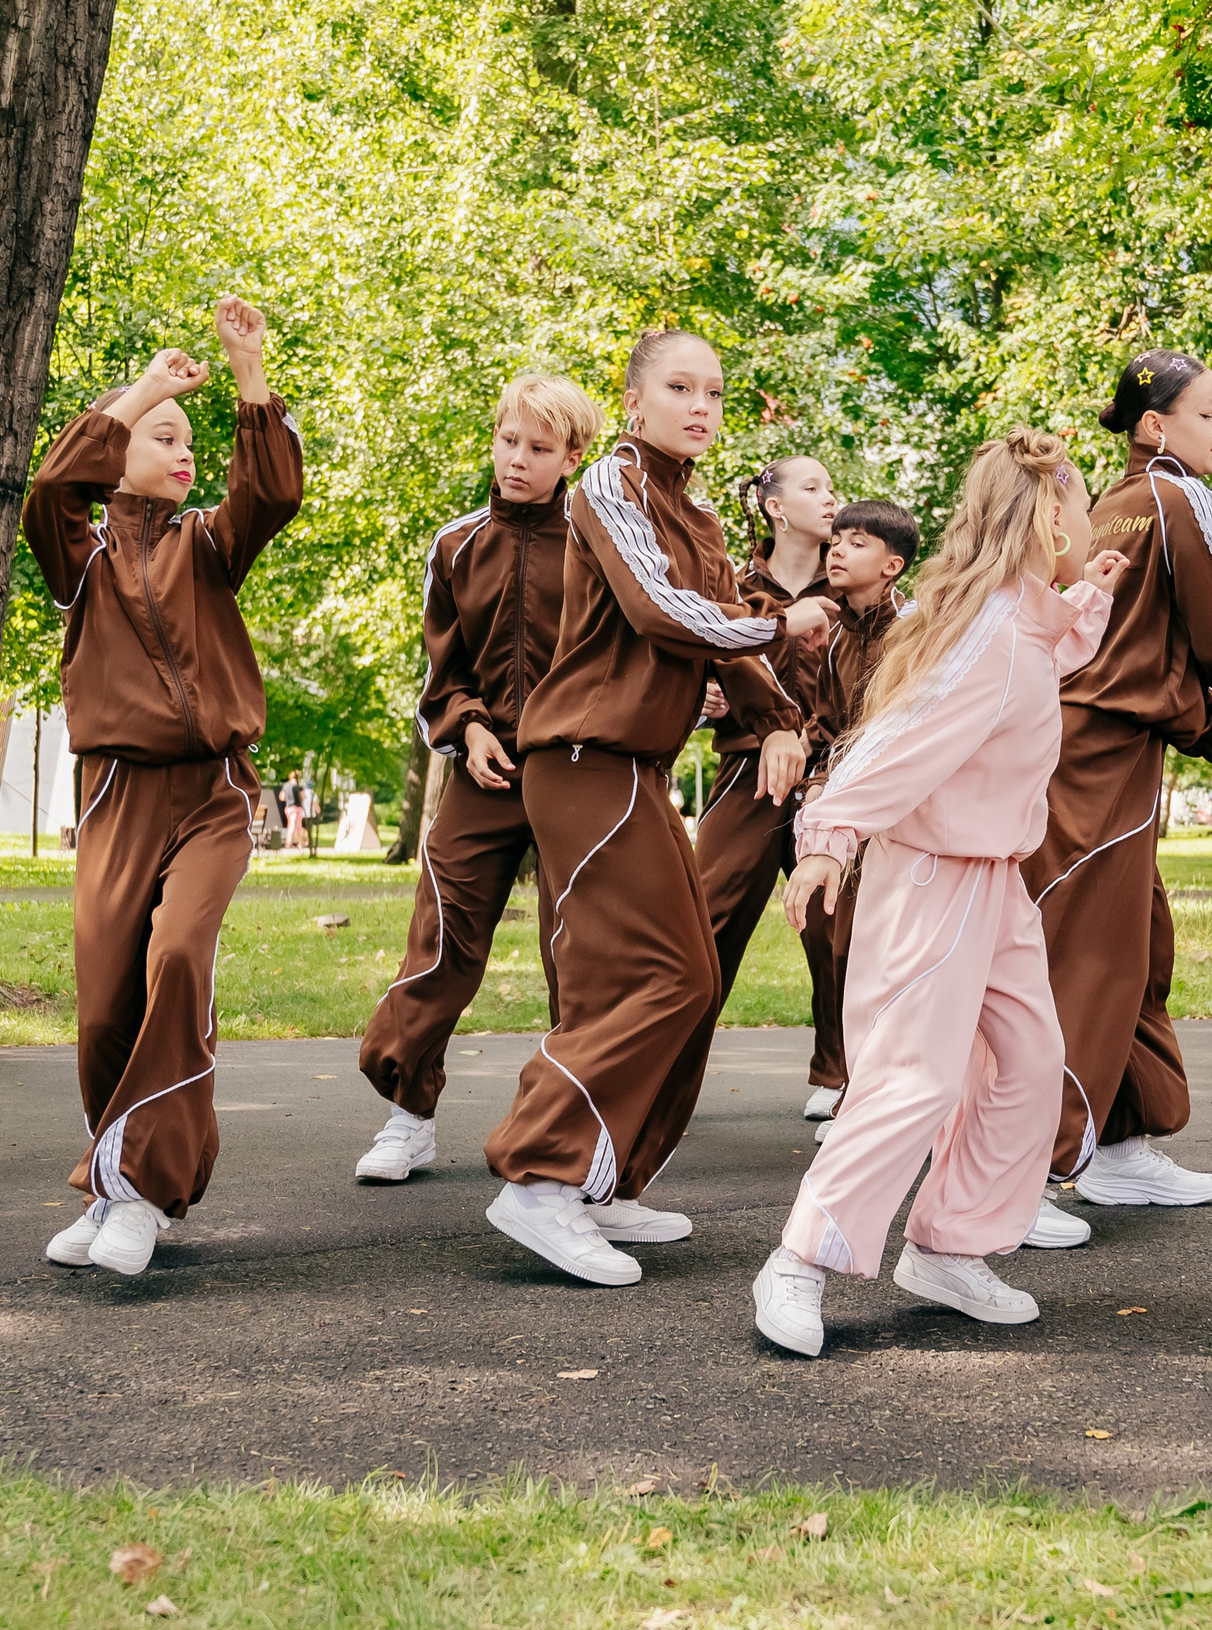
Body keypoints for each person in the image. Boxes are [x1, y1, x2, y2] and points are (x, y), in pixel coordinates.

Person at [481, 328, 838, 1287]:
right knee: (660, 980)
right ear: (635, 402)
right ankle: (540, 1181)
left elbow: (729, 652)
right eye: (679, 387)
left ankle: (607, 1179)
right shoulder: (610, 486)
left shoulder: (702, 514)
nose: (700, 406)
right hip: (582, 761)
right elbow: (660, 611)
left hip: (632, 768)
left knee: (688, 977)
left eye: (714, 393)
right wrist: (778, 622)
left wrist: (780, 719)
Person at [752, 430, 1120, 1356]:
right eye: (1078, 503)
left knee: (1029, 1063)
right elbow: (895, 744)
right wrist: (826, 844)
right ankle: (798, 1261)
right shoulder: (986, 639)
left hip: (992, 882)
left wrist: (1093, 593)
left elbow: (1050, 652)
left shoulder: (1012, 618)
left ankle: (949, 1247)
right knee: (913, 1080)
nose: (1087, 516)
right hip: (934, 879)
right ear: (1045, 516)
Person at [21, 296, 304, 1277]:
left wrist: (247, 372)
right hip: (111, 800)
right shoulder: (81, 558)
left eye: (190, 439)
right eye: (160, 435)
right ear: (114, 451)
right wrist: (144, 386)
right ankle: (113, 1179)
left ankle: (142, 1191)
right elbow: (48, 491)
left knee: (177, 959)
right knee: (105, 1007)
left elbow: (268, 492)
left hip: (212, 795)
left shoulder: (209, 547)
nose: (183, 450)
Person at [1018, 351, 1212, 1251]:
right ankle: (1023, 1171)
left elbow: (1146, 650)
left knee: (1135, 946)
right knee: (1085, 960)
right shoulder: (1177, 497)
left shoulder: (1114, 504)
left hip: (1097, 749)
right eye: (1207, 413)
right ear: (1153, 426)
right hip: (1096, 761)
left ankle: (1119, 1141)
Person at [354, 373, 601, 1180]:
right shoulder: (456, 544)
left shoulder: (603, 542)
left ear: (573, 456)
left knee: (583, 957)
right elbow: (443, 671)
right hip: (484, 774)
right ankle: (409, 1113)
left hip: (579, 775)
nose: (518, 461)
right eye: (508, 442)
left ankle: (578, 1137)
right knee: (440, 942)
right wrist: (469, 726)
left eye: (538, 449)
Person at [692, 456, 847, 1122]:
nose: (830, 499)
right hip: (747, 773)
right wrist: (702, 701)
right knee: (702, 921)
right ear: (776, 507)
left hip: (832, 776)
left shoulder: (856, 579)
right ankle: (657, 1072)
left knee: (836, 926)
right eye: (813, 488)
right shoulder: (730, 586)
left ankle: (843, 1077)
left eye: (832, 488)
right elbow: (692, 668)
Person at [793, 498, 916, 1145]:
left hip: (898, 817)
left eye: (858, 542)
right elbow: (824, 729)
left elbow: (909, 732)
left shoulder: (916, 630)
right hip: (842, 813)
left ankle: (878, 1096)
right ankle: (848, 1080)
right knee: (832, 938)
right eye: (836, 539)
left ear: (892, 565)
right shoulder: (835, 636)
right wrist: (815, 790)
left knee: (885, 954)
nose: (837, 550)